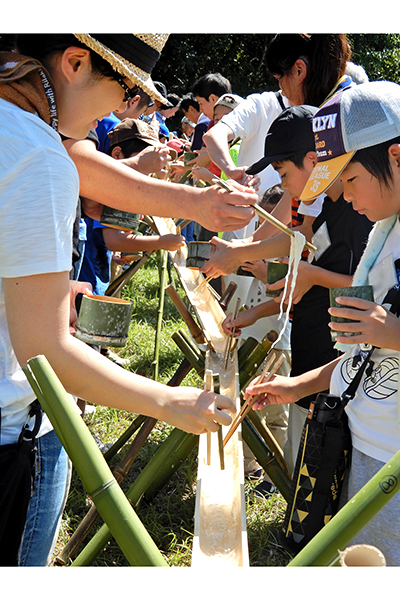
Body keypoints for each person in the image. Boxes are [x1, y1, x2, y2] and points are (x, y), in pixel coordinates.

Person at [0, 33, 239, 567]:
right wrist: (170, 403)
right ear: (76, 62)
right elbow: (44, 352)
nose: (124, 106)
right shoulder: (39, 156)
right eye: (126, 86)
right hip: (13, 432)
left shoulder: (18, 122)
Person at [245, 80, 400, 565]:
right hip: (362, 445)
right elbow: (360, 358)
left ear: (397, 157)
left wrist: (390, 332)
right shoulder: (383, 234)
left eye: (349, 179)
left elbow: (381, 337)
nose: (342, 195)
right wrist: (298, 386)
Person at [221, 105, 373, 474]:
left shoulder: (359, 211)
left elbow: (370, 293)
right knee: (299, 454)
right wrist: (255, 311)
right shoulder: (321, 209)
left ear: (314, 159)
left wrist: (313, 275)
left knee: (318, 466)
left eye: (284, 173)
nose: (284, 185)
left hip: (337, 367)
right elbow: (300, 268)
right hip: (311, 352)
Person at [203, 34, 353, 244]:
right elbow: (296, 196)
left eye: (279, 78)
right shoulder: (326, 111)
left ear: (299, 70)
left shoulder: (335, 120)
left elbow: (307, 227)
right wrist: (249, 245)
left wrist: (246, 249)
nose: (281, 88)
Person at [79, 118, 185, 296]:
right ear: (117, 154)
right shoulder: (112, 187)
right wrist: (162, 242)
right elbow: (114, 239)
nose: (147, 173)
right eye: (146, 162)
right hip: (87, 271)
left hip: (95, 263)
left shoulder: (119, 185)